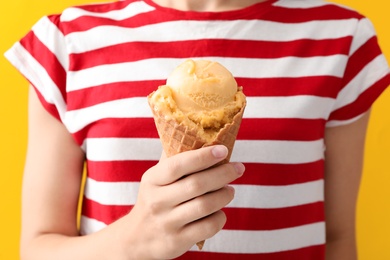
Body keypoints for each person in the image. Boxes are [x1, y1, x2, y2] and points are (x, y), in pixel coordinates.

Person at [5, 0, 390, 259]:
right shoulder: (67, 41)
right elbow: (38, 247)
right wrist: (133, 239)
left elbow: (338, 239)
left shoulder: (341, 38)